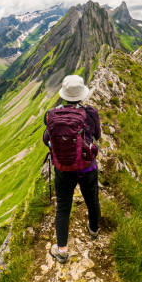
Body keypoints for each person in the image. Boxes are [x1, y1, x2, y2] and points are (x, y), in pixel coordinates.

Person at [43, 75, 101, 264]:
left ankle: (61, 250)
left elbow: (46, 139)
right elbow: (97, 135)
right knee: (92, 200)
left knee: (63, 207)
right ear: (81, 94)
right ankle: (93, 230)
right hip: (86, 167)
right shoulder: (90, 113)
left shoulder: (52, 114)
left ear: (65, 95)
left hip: (63, 168)